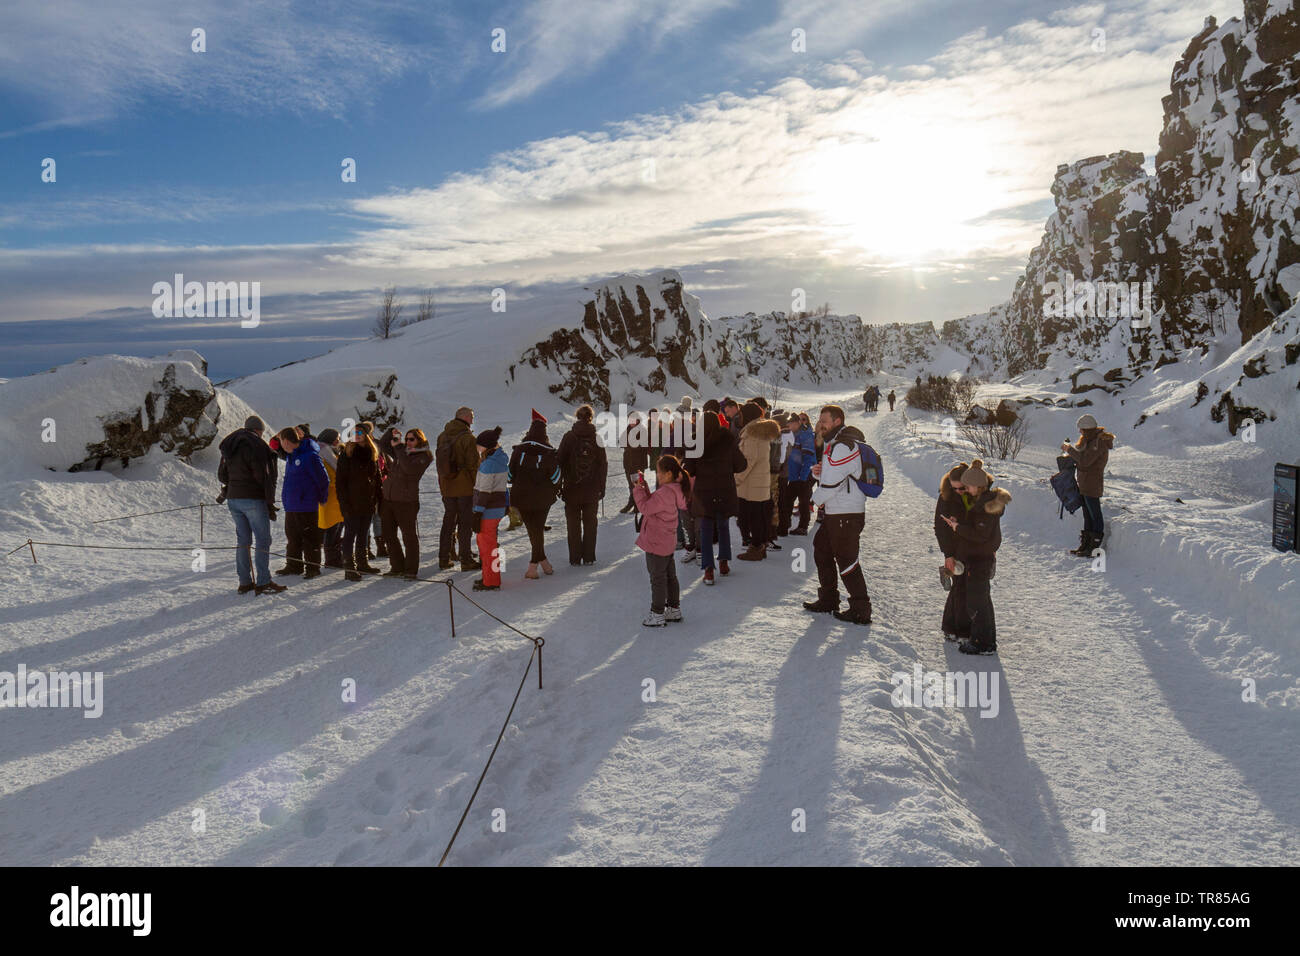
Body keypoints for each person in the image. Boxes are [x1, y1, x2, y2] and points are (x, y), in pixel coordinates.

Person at [802, 405, 872, 625]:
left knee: (847, 561)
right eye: (820, 419)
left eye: (824, 420)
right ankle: (829, 599)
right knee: (822, 549)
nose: (820, 423)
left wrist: (811, 500)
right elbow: (836, 477)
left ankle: (861, 609)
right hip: (838, 511)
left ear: (837, 421)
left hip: (846, 513)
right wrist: (821, 473)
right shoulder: (835, 444)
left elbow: (832, 485)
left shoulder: (842, 446)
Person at [938, 460, 1011, 655]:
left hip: (980, 559)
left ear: (978, 485)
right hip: (975, 557)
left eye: (967, 486)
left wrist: (957, 527)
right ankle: (980, 639)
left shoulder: (986, 505)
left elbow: (980, 534)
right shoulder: (981, 502)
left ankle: (983, 642)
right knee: (978, 599)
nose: (966, 490)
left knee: (978, 601)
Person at [217, 415, 286, 595]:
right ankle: (263, 581)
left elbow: (222, 476)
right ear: (259, 431)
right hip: (253, 498)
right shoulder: (255, 445)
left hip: (233, 498)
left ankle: (245, 582)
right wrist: (267, 498)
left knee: (243, 541)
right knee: (263, 540)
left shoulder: (229, 445)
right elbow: (262, 475)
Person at [684, 410, 746, 585]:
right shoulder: (728, 440)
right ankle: (724, 562)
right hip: (725, 490)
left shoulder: (696, 442)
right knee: (723, 526)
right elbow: (741, 465)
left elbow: (690, 469)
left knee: (706, 530)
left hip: (704, 493)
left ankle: (709, 570)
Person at [634, 454, 690, 626]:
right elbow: (655, 503)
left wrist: (637, 490)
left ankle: (657, 612)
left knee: (657, 578)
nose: (657, 475)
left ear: (668, 474)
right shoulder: (674, 489)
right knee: (670, 577)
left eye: (659, 472)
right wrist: (645, 489)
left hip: (656, 541)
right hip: (666, 541)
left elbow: (646, 508)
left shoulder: (665, 492)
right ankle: (673, 609)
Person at [508, 410, 561, 579]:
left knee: (534, 530)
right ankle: (539, 563)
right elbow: (556, 478)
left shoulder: (518, 451)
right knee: (537, 530)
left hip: (521, 498)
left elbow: (509, 476)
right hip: (543, 499)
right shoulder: (549, 452)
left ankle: (538, 564)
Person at [379, 425, 433, 580]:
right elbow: (382, 445)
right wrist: (391, 433)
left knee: (408, 536)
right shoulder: (401, 452)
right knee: (388, 534)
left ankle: (410, 570)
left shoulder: (424, 455)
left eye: (412, 439)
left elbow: (409, 469)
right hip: (389, 499)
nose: (408, 442)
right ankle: (397, 566)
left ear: (420, 441)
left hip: (406, 502)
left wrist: (399, 448)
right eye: (406, 439)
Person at [557, 405, 608, 566]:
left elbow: (559, 461)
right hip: (592, 489)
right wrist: (602, 487)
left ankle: (575, 557)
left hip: (571, 488)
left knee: (573, 525)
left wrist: (560, 485)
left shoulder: (569, 437)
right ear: (591, 418)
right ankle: (589, 557)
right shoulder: (597, 438)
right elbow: (603, 465)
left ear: (577, 417)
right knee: (590, 524)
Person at [277, 426, 329, 579]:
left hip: (306, 504)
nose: (280, 445)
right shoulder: (290, 457)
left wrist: (322, 498)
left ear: (286, 441)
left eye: (281, 441)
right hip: (291, 504)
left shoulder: (310, 456)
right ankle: (294, 565)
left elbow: (323, 479)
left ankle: (313, 567)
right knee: (292, 537)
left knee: (310, 538)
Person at [435, 407, 481, 572]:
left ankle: (443, 558)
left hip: (447, 486)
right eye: (472, 417)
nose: (473, 420)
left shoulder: (443, 436)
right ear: (466, 417)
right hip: (465, 487)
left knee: (448, 522)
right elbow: (473, 465)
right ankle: (466, 559)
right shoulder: (468, 438)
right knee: (465, 524)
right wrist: (477, 486)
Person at [1062, 414, 1114, 557]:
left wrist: (1069, 450)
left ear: (1087, 429)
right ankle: (1086, 545)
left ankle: (1094, 548)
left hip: (1092, 483)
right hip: (1084, 482)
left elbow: (1085, 461)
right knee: (1087, 515)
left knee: (1094, 515)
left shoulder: (1098, 443)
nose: (1080, 432)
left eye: (1082, 430)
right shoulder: (1090, 441)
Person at [335, 425, 382, 582]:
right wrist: (344, 504)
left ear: (366, 435)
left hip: (367, 501)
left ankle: (363, 562)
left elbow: (377, 478)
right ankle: (349, 567)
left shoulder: (371, 453)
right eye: (354, 433)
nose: (357, 435)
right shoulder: (346, 454)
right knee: (350, 534)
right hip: (351, 501)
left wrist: (378, 498)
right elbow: (340, 482)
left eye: (360, 432)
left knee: (363, 533)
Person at [736, 404, 781, 561]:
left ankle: (756, 547)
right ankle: (760, 546)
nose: (739, 417)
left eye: (741, 414)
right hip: (759, 481)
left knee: (753, 516)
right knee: (759, 515)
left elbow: (748, 460)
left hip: (751, 482)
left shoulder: (752, 433)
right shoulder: (759, 431)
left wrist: (737, 479)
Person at [934, 462, 971, 642]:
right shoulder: (946, 497)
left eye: (961, 488)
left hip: (973, 545)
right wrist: (948, 554)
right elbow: (940, 528)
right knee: (961, 587)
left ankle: (953, 627)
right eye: (955, 488)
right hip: (956, 548)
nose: (959, 492)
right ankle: (958, 629)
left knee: (963, 587)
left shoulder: (974, 492)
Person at [472, 426, 509, 590]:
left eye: (478, 445)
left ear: (486, 446)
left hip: (488, 511)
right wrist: (506, 504)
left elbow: (484, 492)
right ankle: (489, 577)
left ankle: (492, 581)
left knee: (488, 547)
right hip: (496, 508)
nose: (477, 448)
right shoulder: (499, 459)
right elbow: (504, 487)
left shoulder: (489, 464)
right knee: (488, 545)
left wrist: (477, 513)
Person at [780, 413, 815, 535]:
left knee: (804, 501)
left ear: (798, 423)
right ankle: (785, 523)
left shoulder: (805, 435)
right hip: (794, 476)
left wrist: (803, 477)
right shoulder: (793, 434)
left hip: (804, 475)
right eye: (788, 423)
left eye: (791, 423)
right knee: (787, 500)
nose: (788, 425)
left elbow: (809, 458)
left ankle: (803, 527)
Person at [316, 428, 344, 570]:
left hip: (335, 500)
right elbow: (328, 478)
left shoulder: (330, 453)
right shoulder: (324, 454)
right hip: (330, 498)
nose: (339, 440)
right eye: (337, 438)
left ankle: (336, 558)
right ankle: (332, 560)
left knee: (335, 529)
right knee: (331, 531)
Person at [620, 413, 650, 514]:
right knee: (631, 485)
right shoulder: (627, 429)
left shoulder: (642, 430)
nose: (631, 422)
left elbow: (643, 446)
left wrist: (631, 445)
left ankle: (638, 505)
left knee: (638, 485)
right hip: (628, 462)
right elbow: (622, 442)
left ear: (638, 420)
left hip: (638, 463)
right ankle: (632, 502)